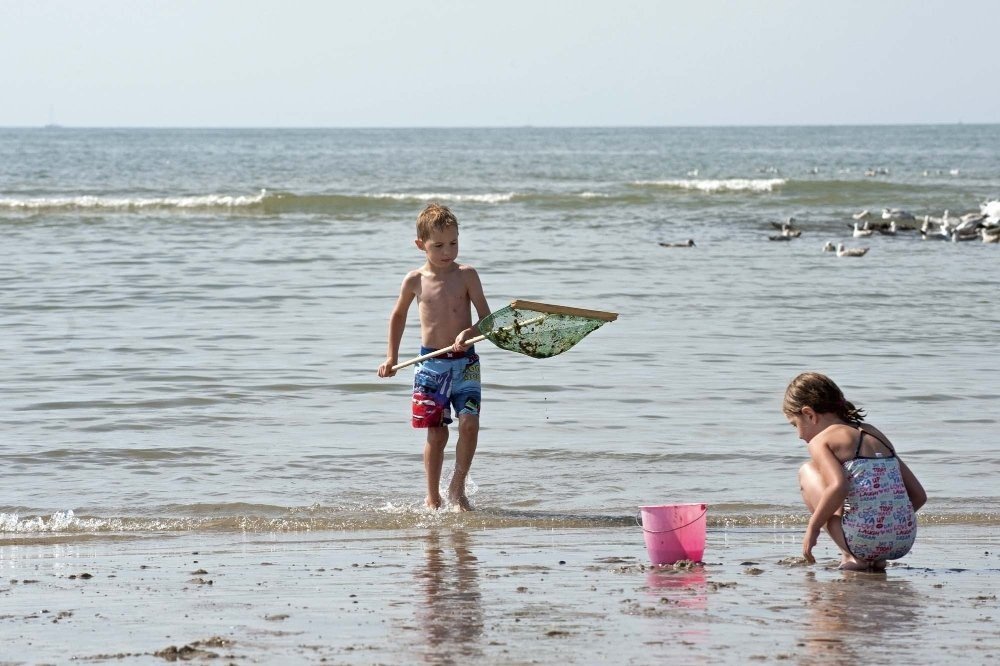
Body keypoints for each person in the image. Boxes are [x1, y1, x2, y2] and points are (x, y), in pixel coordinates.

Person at [377, 203, 490, 512]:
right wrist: (391, 357)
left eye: (453, 243)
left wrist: (468, 333)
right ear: (420, 245)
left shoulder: (467, 275)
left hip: (466, 364)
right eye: (438, 245)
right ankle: (432, 496)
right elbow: (398, 316)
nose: (447, 251)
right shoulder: (414, 280)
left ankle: (457, 488)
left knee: (469, 424)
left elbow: (487, 320)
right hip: (430, 365)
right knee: (437, 433)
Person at [782, 372, 927, 571]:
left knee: (807, 471)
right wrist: (888, 524)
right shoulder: (873, 433)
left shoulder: (820, 440)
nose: (798, 435)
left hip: (861, 541)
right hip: (903, 540)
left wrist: (812, 528)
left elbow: (839, 487)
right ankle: (875, 558)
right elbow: (919, 495)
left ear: (809, 414)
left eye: (795, 425)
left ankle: (853, 556)